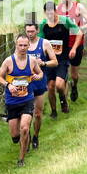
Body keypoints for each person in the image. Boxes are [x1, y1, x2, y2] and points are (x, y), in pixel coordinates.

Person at [0, 34, 42, 166]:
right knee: (15, 136)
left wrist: (37, 77)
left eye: (25, 45)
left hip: (27, 99)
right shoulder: (8, 61)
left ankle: (21, 159)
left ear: (29, 46)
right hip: (12, 102)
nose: (22, 48)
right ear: (16, 45)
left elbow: (40, 73)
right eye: (20, 45)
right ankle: (22, 139)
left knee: (25, 128)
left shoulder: (32, 60)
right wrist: (8, 85)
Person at [23, 20, 57, 149]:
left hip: (39, 82)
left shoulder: (44, 43)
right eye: (28, 32)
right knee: (26, 114)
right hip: (25, 84)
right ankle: (27, 135)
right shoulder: (22, 44)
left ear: (37, 30)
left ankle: (36, 135)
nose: (30, 34)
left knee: (37, 113)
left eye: (32, 31)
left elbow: (55, 61)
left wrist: (43, 63)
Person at [56, 0, 87, 102]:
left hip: (76, 42)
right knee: (63, 72)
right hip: (62, 45)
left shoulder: (78, 7)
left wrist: (78, 28)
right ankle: (63, 97)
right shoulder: (57, 9)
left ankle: (74, 86)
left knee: (74, 73)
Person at [39, 1, 73, 114]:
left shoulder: (64, 21)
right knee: (51, 87)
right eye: (47, 11)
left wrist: (74, 48)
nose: (50, 13)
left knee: (59, 85)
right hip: (49, 61)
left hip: (62, 59)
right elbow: (41, 41)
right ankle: (53, 111)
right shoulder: (43, 25)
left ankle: (63, 100)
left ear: (55, 10)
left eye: (51, 10)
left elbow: (78, 32)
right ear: (45, 12)